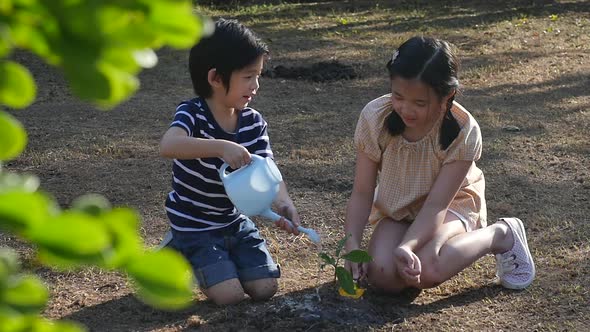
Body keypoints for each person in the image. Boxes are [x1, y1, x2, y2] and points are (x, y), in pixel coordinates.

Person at [344, 36, 535, 295]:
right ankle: (410, 246)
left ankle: (501, 234)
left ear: (447, 96)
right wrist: (353, 245)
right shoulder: (375, 117)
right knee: (382, 275)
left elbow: (436, 204)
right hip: (400, 205)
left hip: (451, 205)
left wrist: (407, 246)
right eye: (398, 96)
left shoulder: (463, 130)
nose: (405, 109)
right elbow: (363, 191)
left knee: (427, 269)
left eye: (419, 103)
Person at [159, 18, 300, 305]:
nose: (256, 85)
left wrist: (283, 203)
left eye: (258, 76)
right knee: (230, 297)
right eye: (248, 77)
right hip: (194, 225)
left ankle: (223, 260)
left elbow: (269, 171)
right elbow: (168, 145)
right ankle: (175, 249)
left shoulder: (253, 122)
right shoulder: (192, 113)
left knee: (265, 288)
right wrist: (220, 147)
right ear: (215, 78)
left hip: (234, 223)